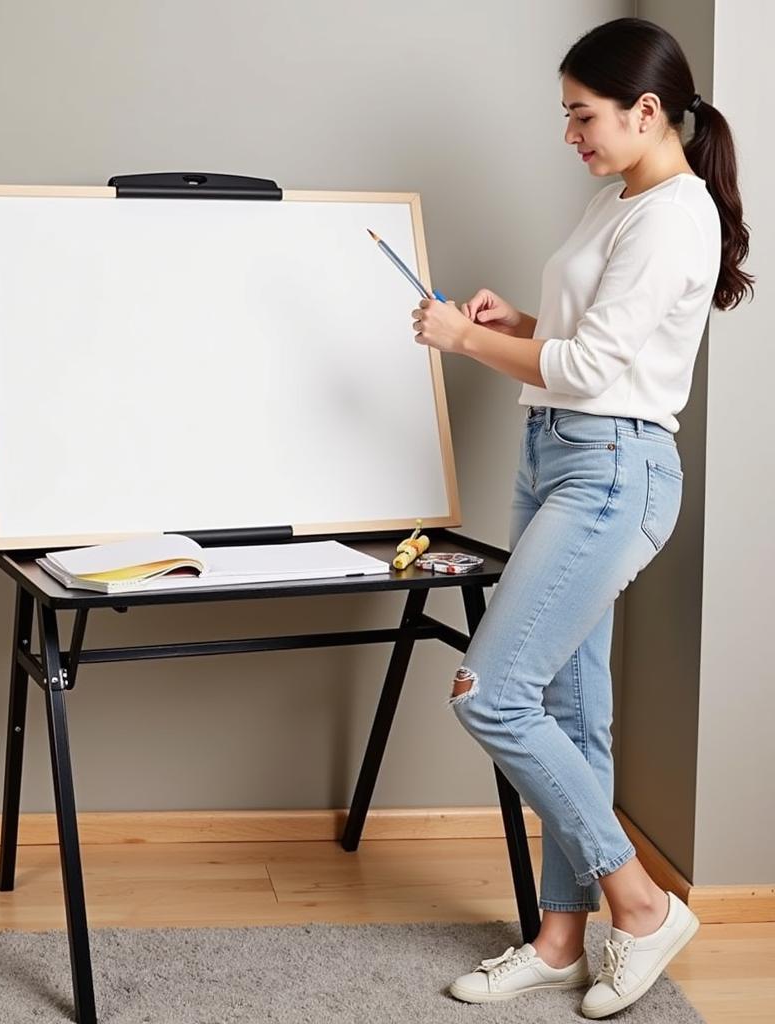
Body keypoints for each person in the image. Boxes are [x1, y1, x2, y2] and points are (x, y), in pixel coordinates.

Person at [410, 16, 753, 1020]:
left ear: (647, 111)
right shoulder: (620, 200)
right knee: (568, 711)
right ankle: (560, 940)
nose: (571, 134)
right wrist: (517, 324)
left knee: (489, 691)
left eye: (582, 115)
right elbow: (588, 339)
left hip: (610, 469)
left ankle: (638, 904)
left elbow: (601, 373)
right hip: (559, 455)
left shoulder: (672, 214)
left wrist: (463, 348)